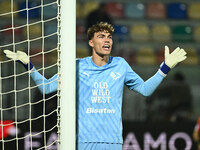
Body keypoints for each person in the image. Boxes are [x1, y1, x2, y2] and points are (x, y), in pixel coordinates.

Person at [4, 22, 187, 150]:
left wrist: (165, 67)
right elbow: (46, 88)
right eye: (101, 36)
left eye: (109, 37)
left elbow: (145, 90)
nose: (107, 40)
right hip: (84, 143)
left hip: (113, 143)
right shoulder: (76, 65)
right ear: (91, 42)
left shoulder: (121, 65)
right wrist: (28, 64)